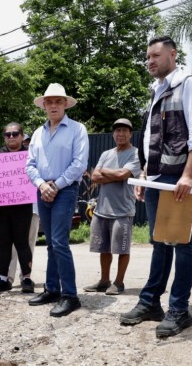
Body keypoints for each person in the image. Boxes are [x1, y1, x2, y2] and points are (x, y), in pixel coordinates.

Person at [119, 36, 192, 338]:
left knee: (181, 242)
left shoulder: (189, 84)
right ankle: (150, 302)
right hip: (157, 177)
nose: (150, 61)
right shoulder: (158, 91)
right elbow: (152, 141)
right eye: (148, 57)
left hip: (177, 178)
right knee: (159, 241)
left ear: (173, 54)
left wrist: (187, 176)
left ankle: (180, 309)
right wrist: (145, 173)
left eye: (156, 55)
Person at [25, 83, 89, 317]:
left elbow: (79, 163)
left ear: (65, 104)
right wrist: (42, 184)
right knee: (51, 243)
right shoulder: (38, 133)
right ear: (44, 106)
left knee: (60, 242)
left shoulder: (77, 129)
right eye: (49, 102)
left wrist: (57, 184)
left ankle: (70, 295)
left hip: (66, 189)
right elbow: (30, 165)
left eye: (58, 101)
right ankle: (52, 289)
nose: (53, 105)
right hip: (43, 190)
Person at [82, 118, 140, 296]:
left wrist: (106, 172)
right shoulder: (106, 153)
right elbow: (94, 177)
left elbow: (123, 174)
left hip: (122, 209)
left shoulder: (136, 154)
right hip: (102, 209)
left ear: (130, 133)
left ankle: (119, 282)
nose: (120, 134)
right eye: (117, 131)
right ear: (113, 134)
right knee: (103, 248)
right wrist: (115, 174)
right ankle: (104, 280)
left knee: (122, 248)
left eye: (124, 130)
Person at [0, 123, 35, 295]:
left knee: (22, 243)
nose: (12, 137)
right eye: (8, 134)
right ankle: (3, 279)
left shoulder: (30, 156)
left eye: (15, 134)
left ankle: (27, 278)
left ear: (22, 136)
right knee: (4, 244)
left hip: (22, 207)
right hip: (0, 208)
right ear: (4, 137)